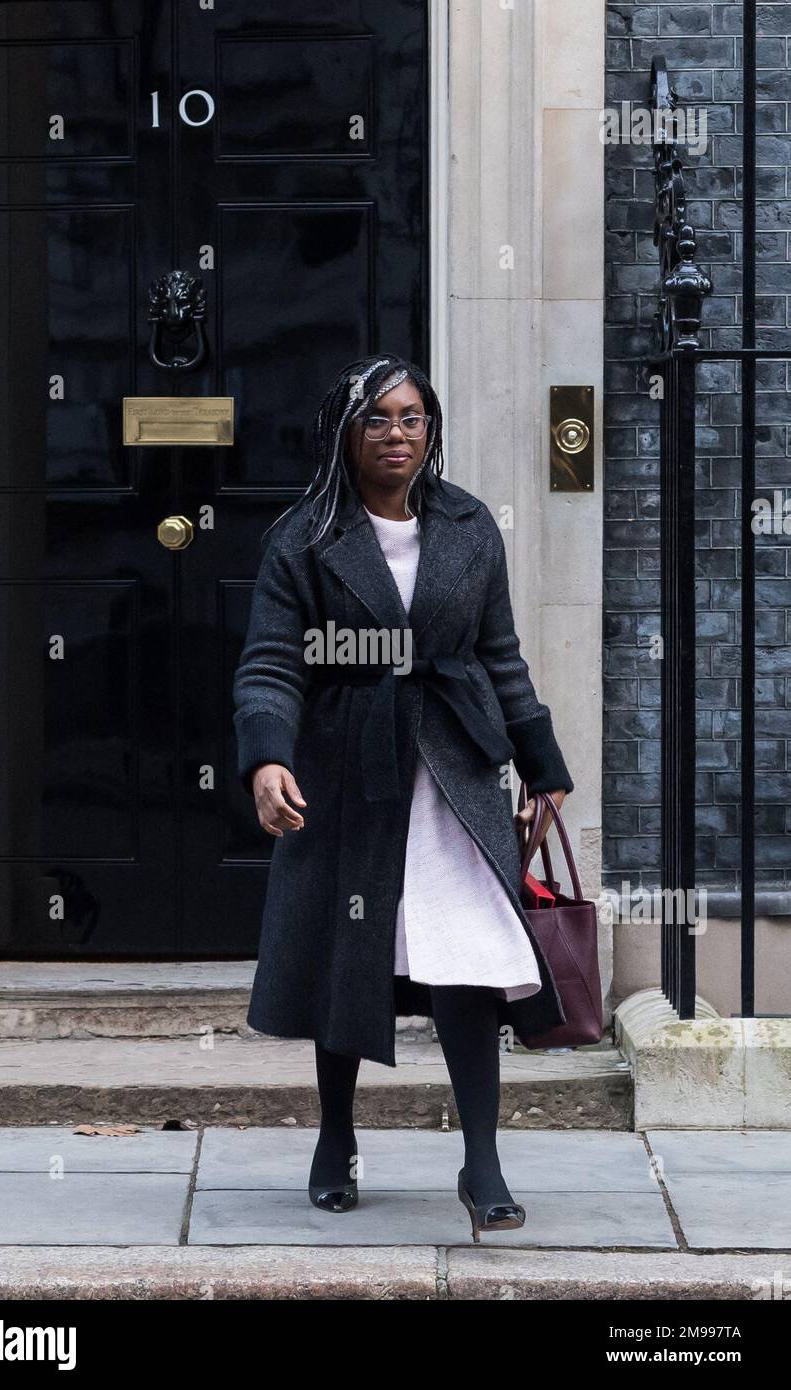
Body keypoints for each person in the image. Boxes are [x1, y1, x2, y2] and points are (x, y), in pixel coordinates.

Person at [233, 354, 574, 1240]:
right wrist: (268, 759)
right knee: (350, 951)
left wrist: (543, 763)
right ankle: (336, 1138)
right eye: (378, 419)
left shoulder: (467, 526)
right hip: (349, 771)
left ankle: (483, 1160)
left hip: (455, 771)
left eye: (413, 417)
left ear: (433, 429)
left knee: (470, 954)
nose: (398, 434)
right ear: (346, 432)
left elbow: (500, 653)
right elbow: (272, 662)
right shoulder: (304, 537)